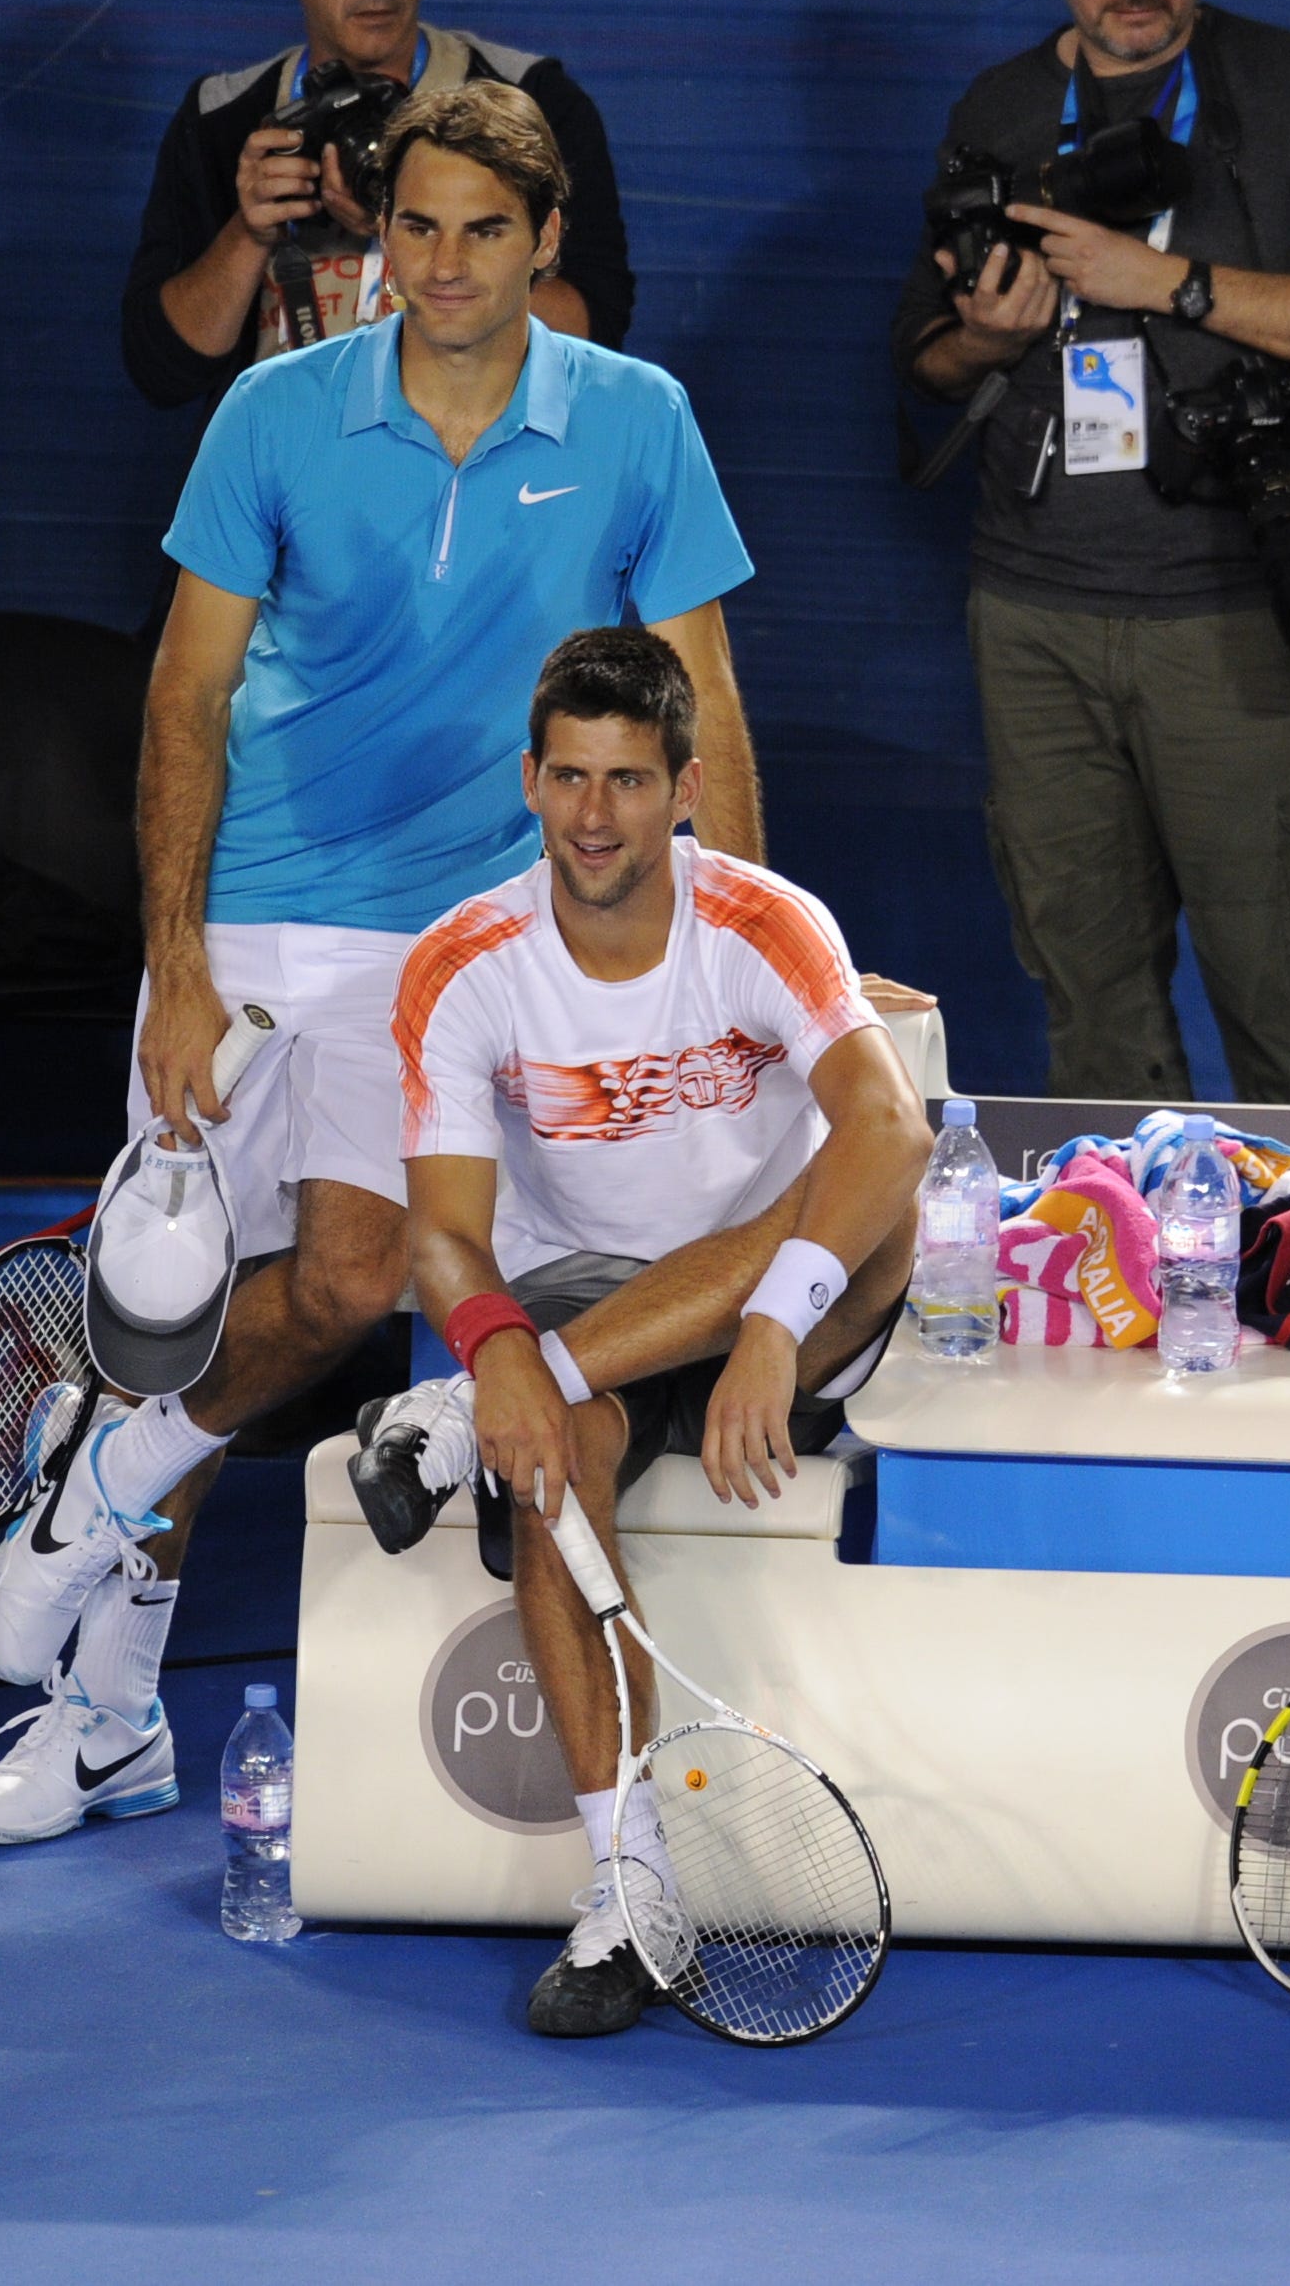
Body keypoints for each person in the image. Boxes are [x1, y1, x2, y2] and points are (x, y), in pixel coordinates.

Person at [0, 86, 763, 1848]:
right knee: (169, 1305)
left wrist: (745, 964)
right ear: (371, 237)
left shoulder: (638, 422)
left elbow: (701, 707)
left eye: (486, 229)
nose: (447, 265)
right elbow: (184, 694)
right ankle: (99, 1720)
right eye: (416, 228)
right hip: (267, 920)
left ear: (546, 240)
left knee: (355, 1274)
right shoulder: (271, 412)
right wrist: (173, 959)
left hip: (492, 936)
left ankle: (111, 1477)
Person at [364, 628, 926, 2036]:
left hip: (783, 1294)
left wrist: (769, 1324)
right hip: (591, 1296)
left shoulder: (764, 924)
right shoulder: (464, 963)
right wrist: (500, 1353)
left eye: (626, 780)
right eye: (567, 777)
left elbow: (890, 1127)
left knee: (873, 1192)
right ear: (531, 779)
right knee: (554, 1467)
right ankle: (631, 1883)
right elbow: (439, 1229)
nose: (594, 815)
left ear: (685, 787)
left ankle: (476, 1415)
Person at [894, 0, 1290, 1107]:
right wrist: (990, 336)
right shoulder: (1002, 106)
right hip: (1032, 618)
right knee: (1092, 1017)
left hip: (1226, 616)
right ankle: (1133, 1289)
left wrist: (1170, 283)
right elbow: (920, 363)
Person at [122, 0, 632, 418]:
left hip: (478, 491)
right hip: (290, 500)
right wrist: (249, 233)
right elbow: (161, 370)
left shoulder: (533, 102)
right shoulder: (225, 119)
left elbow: (595, 334)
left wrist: (404, 233)